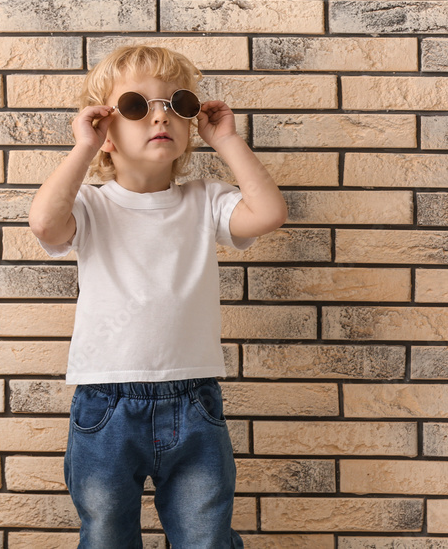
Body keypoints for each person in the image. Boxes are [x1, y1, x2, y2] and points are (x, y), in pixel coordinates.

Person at [28, 45, 287, 548]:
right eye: (135, 106)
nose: (160, 115)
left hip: (193, 399)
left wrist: (227, 140)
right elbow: (44, 223)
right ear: (106, 132)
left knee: (205, 537)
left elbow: (268, 212)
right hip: (106, 402)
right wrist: (82, 148)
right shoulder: (91, 206)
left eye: (177, 103)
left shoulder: (206, 200)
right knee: (105, 536)